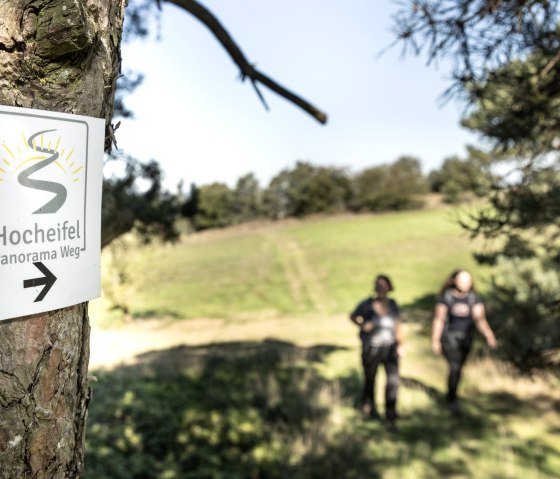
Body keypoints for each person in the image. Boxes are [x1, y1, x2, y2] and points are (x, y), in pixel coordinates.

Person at [431, 269, 497, 414]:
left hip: (466, 339)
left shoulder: (474, 299)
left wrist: (489, 335)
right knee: (454, 367)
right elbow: (439, 320)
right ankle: (452, 400)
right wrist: (435, 340)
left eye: (467, 281)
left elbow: (480, 320)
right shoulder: (446, 298)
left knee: (459, 369)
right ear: (454, 281)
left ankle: (452, 393)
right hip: (449, 338)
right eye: (461, 280)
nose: (464, 284)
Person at [350, 274, 403, 430]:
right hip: (371, 348)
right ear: (375, 286)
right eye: (378, 284)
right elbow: (353, 316)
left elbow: (398, 325)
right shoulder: (367, 304)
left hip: (390, 347)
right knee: (370, 379)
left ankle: (390, 414)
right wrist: (362, 325)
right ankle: (369, 407)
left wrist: (400, 344)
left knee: (393, 381)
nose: (381, 287)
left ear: (389, 287)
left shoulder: (393, 304)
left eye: (384, 284)